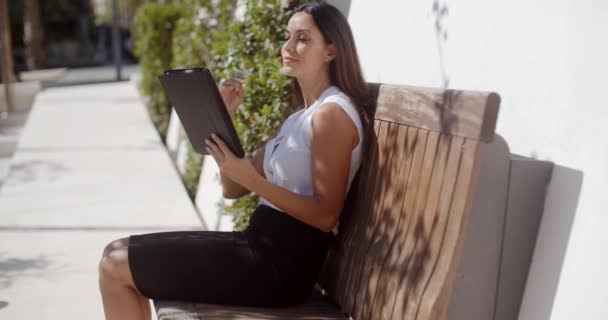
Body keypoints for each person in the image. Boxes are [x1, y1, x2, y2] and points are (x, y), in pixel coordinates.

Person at [98, 2, 373, 319]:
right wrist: (225, 117)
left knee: (116, 265)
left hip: (279, 266)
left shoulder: (332, 114)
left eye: (303, 38)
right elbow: (233, 187)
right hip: (258, 248)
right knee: (114, 255)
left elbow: (326, 215)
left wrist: (254, 180)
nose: (287, 46)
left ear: (331, 51)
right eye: (287, 36)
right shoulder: (299, 118)